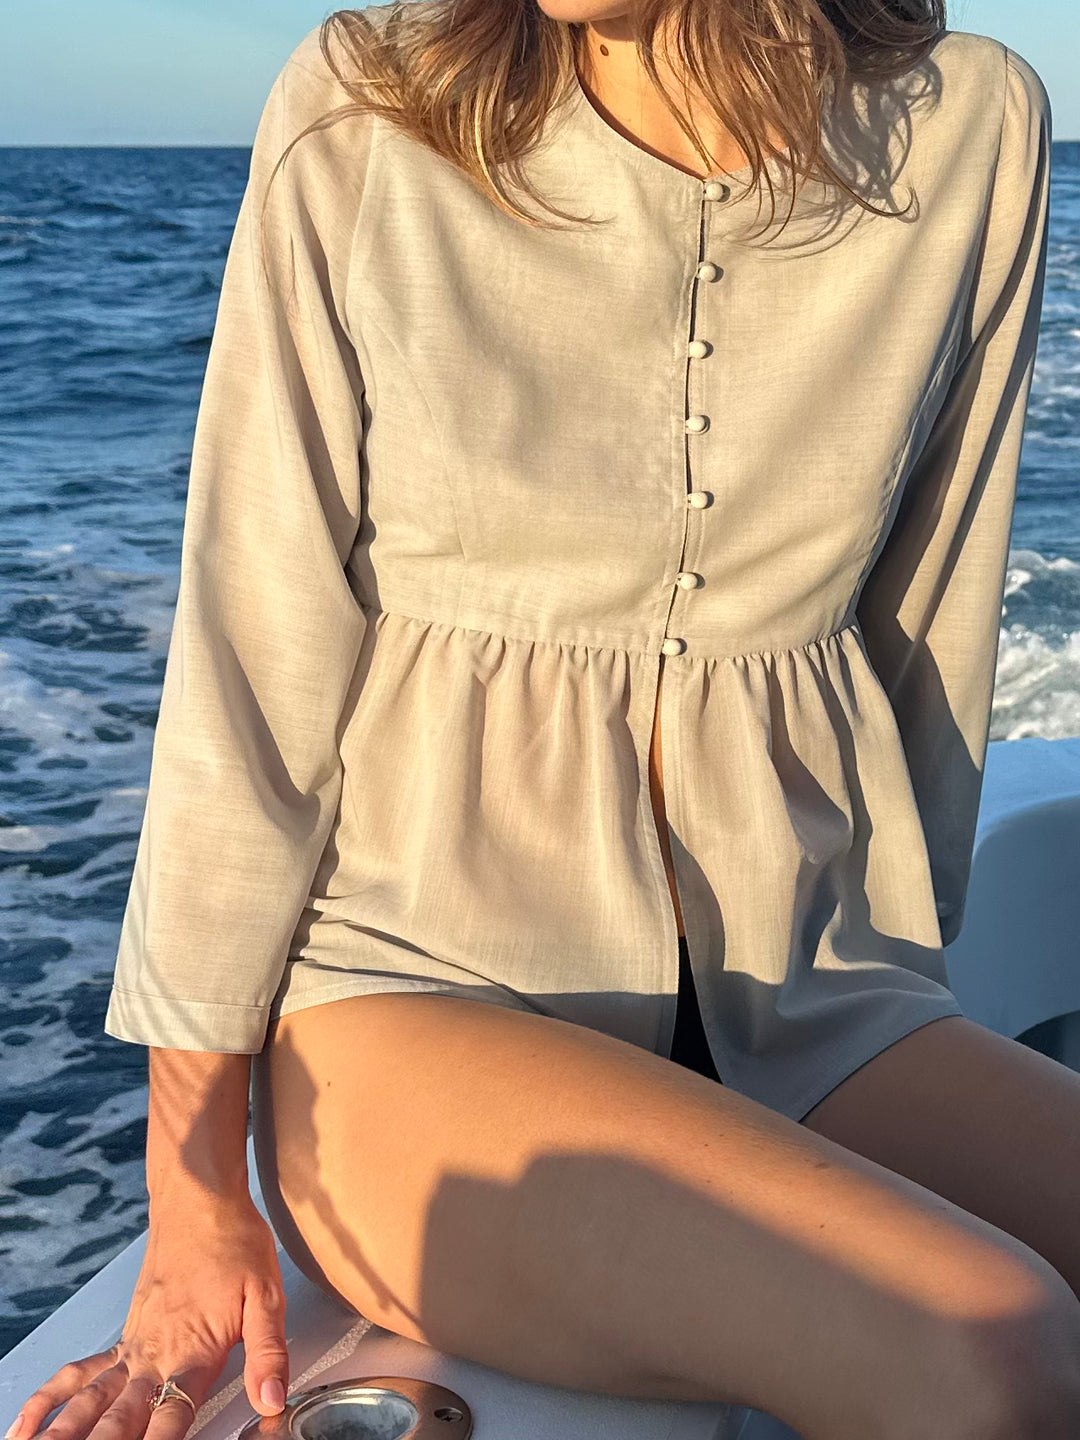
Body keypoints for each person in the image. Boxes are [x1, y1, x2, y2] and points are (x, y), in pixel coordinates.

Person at [8, 1, 1080, 1437]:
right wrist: (195, 1200)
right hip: (412, 998)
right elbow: (251, 661)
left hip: (810, 995)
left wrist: (900, 971)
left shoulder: (976, 122)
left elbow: (929, 612)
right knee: (992, 1351)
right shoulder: (370, 104)